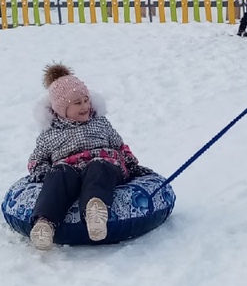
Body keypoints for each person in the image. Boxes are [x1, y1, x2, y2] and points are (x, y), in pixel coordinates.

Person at [24, 64, 152, 251]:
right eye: (77, 103)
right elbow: (36, 160)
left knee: (99, 167)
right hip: (70, 171)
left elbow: (119, 145)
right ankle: (45, 223)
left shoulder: (100, 122)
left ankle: (95, 211)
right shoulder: (49, 134)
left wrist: (131, 164)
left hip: (104, 165)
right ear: (61, 109)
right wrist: (44, 172)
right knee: (59, 173)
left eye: (86, 100)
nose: (85, 106)